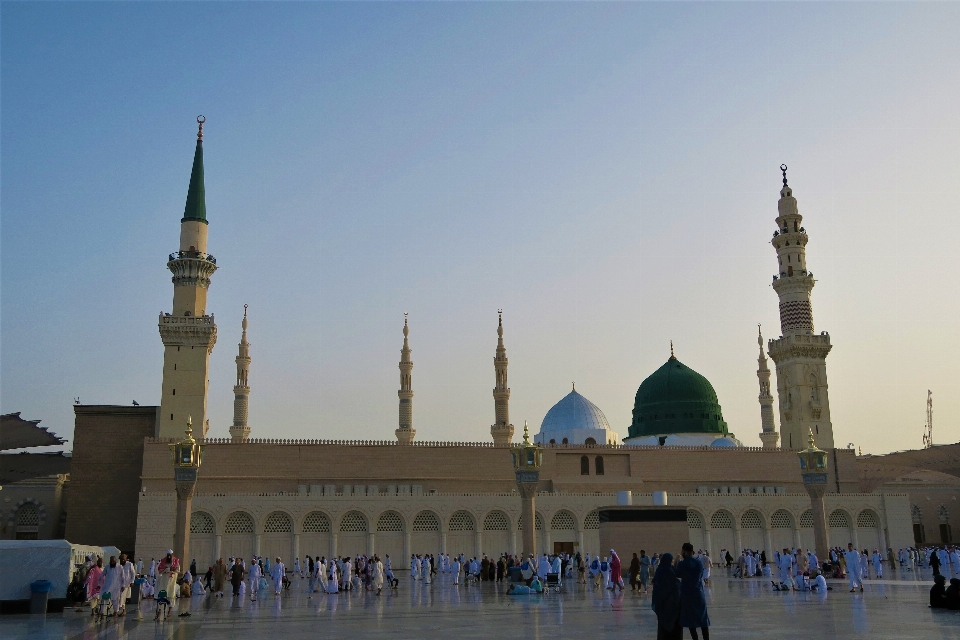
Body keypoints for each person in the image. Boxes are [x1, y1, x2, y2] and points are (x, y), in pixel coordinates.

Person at [676, 543, 710, 640]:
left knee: (691, 620)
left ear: (685, 552)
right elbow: (700, 575)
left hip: (687, 594)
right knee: (702, 619)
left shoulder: (682, 564)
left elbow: (678, 574)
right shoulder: (698, 562)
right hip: (698, 593)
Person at [651, 552, 682, 640]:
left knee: (663, 626)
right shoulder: (670, 571)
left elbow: (657, 587)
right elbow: (674, 586)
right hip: (672, 604)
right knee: (674, 627)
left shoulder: (659, 571)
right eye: (672, 560)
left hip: (662, 604)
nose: (672, 561)